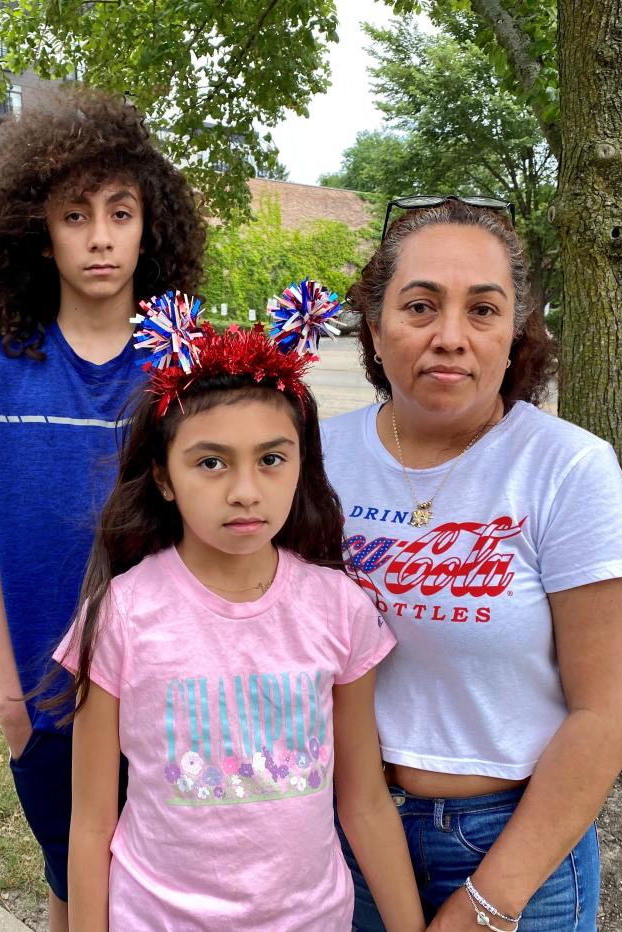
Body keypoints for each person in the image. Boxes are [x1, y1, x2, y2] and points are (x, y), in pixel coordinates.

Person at [322, 196, 622, 931]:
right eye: (419, 306)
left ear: (514, 334)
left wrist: (488, 902)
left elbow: (610, 713)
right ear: (374, 327)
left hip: (515, 841)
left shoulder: (568, 469)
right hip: (349, 831)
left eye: (483, 310)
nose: (450, 337)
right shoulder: (313, 457)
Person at [50, 302, 426, 932]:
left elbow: (363, 802)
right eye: (211, 462)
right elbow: (90, 822)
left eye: (271, 459)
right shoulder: (121, 614)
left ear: (302, 466)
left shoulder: (340, 609)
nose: (245, 490)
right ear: (164, 478)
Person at [0, 90, 206, 930]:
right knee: (72, 891)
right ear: (35, 232)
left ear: (148, 226)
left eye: (119, 213)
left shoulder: (184, 368)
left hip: (173, 697)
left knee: (168, 896)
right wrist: (9, 694)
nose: (98, 236)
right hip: (49, 701)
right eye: (74, 214)